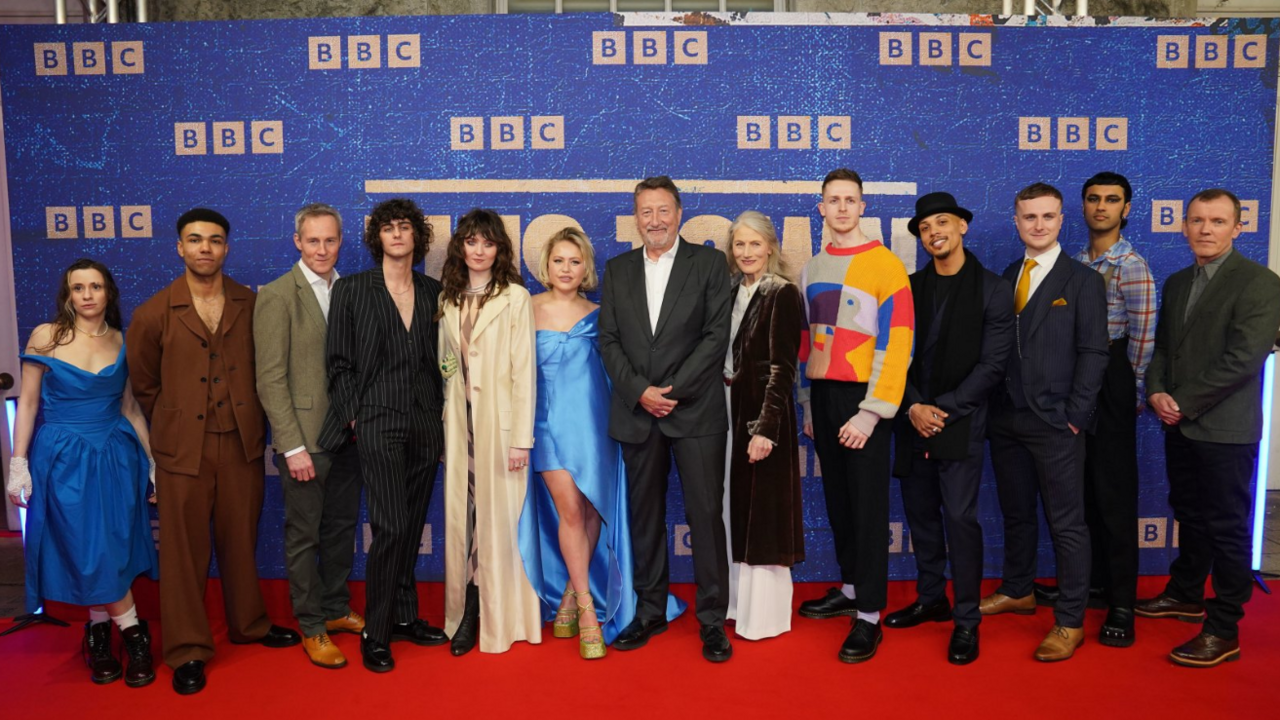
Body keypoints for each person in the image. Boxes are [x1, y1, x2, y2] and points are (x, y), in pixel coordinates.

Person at [128, 209, 300, 695]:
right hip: (182, 452)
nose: (205, 248)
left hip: (243, 442)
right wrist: (176, 424)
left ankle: (250, 624)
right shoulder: (153, 312)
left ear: (227, 249)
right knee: (184, 553)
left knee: (239, 539)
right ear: (179, 248)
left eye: (215, 240)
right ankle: (187, 649)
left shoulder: (251, 302)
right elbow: (144, 385)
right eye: (195, 240)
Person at [518, 227, 680, 660]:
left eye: (575, 261)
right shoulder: (523, 309)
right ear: (545, 266)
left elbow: (621, 368)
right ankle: (589, 609)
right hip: (546, 426)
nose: (566, 269)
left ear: (586, 267)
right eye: (559, 261)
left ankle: (573, 589)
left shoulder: (600, 312)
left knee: (591, 511)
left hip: (595, 428)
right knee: (570, 510)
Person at [1137, 189, 1280, 668]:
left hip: (1225, 429)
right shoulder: (1178, 282)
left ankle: (1224, 628)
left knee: (1228, 528)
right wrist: (1156, 392)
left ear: (1238, 228)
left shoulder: (1260, 283)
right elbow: (1162, 350)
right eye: (1197, 220)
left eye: (1217, 221)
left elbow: (1244, 359)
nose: (1205, 229)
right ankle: (1185, 593)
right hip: (1178, 423)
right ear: (1184, 226)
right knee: (1189, 513)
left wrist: (1183, 401)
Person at [599, 176, 734, 663]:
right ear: (635, 218)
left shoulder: (709, 263)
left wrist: (669, 394)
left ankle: (713, 621)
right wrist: (640, 392)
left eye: (663, 210)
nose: (654, 220)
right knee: (645, 519)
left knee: (704, 517)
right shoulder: (616, 269)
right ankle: (649, 611)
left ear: (679, 213)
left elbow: (716, 336)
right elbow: (608, 341)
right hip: (638, 414)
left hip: (695, 412)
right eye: (645, 212)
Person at [6, 258, 158, 688]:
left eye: (95, 286)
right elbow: (30, 403)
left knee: (109, 546)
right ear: (67, 294)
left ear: (108, 292)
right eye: (78, 287)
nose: (87, 295)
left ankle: (97, 634)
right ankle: (133, 633)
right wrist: (18, 463)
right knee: (86, 549)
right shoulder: (45, 336)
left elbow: (129, 407)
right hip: (63, 457)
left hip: (114, 456)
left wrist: (151, 463)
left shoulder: (122, 341)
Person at [884, 192, 1014, 665]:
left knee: (960, 520)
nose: (934, 231)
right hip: (913, 418)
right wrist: (915, 407)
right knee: (920, 515)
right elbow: (895, 356)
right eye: (924, 227)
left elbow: (993, 365)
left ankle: (966, 620)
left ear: (962, 226)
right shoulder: (910, 287)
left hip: (961, 421)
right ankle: (930, 596)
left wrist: (943, 409)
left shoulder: (993, 289)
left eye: (942, 222)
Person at [981, 183, 1108, 662]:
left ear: (1061, 220)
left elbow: (1095, 353)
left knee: (1067, 524)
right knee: (1016, 513)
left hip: (1056, 424)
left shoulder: (1082, 280)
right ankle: (1018, 588)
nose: (1038, 225)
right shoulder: (1009, 275)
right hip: (1007, 419)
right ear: (1016, 221)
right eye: (1029, 217)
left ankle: (1071, 621)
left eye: (1047, 217)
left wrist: (1075, 417)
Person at [319, 198, 447, 673]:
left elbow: (443, 364)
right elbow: (338, 363)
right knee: (390, 525)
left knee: (411, 525)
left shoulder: (434, 292)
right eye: (388, 228)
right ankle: (376, 629)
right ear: (378, 239)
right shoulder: (352, 290)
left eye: (405, 227)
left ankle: (405, 615)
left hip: (425, 423)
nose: (397, 234)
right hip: (376, 422)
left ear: (417, 237)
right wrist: (356, 417)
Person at [797, 168, 914, 664]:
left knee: (867, 508)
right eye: (833, 200)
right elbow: (806, 341)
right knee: (839, 500)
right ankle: (849, 587)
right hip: (823, 399)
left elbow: (898, 344)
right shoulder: (812, 266)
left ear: (863, 206)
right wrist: (806, 402)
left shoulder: (886, 265)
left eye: (850, 200)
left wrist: (871, 414)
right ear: (820, 208)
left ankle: (869, 615)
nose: (841, 208)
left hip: (864, 401)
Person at [255, 203, 364, 669]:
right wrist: (291, 445)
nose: (322, 249)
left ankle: (335, 608)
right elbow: (270, 379)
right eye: (313, 240)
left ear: (341, 241)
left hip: (350, 438)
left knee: (341, 529)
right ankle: (312, 626)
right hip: (305, 442)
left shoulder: (353, 290)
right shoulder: (279, 295)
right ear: (297, 241)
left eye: (331, 240)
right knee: (305, 536)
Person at [439, 208, 542, 656]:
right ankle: (465, 613)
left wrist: (522, 437)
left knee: (498, 526)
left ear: (499, 249)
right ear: (460, 246)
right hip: (460, 430)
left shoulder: (515, 297)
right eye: (471, 241)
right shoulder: (447, 298)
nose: (479, 251)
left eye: (488, 243)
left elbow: (525, 372)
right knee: (465, 523)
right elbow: (446, 366)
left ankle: (496, 616)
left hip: (501, 432)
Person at [1061, 172, 1155, 648]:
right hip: (1078, 377)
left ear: (1127, 209)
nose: (1102, 207)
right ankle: (1094, 585)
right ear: (1083, 207)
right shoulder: (1076, 261)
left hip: (1115, 377)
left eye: (1112, 200)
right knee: (1083, 490)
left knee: (1115, 496)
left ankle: (1122, 602)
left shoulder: (1132, 264)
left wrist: (1131, 390)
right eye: (1094, 199)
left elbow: (1142, 339)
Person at [721, 211, 805, 641]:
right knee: (740, 511)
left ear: (771, 247)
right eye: (740, 245)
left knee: (765, 514)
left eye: (755, 244)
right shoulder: (735, 289)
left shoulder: (783, 293)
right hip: (734, 414)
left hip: (763, 419)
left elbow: (783, 369)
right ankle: (739, 606)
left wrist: (765, 429)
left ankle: (767, 617)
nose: (747, 252)